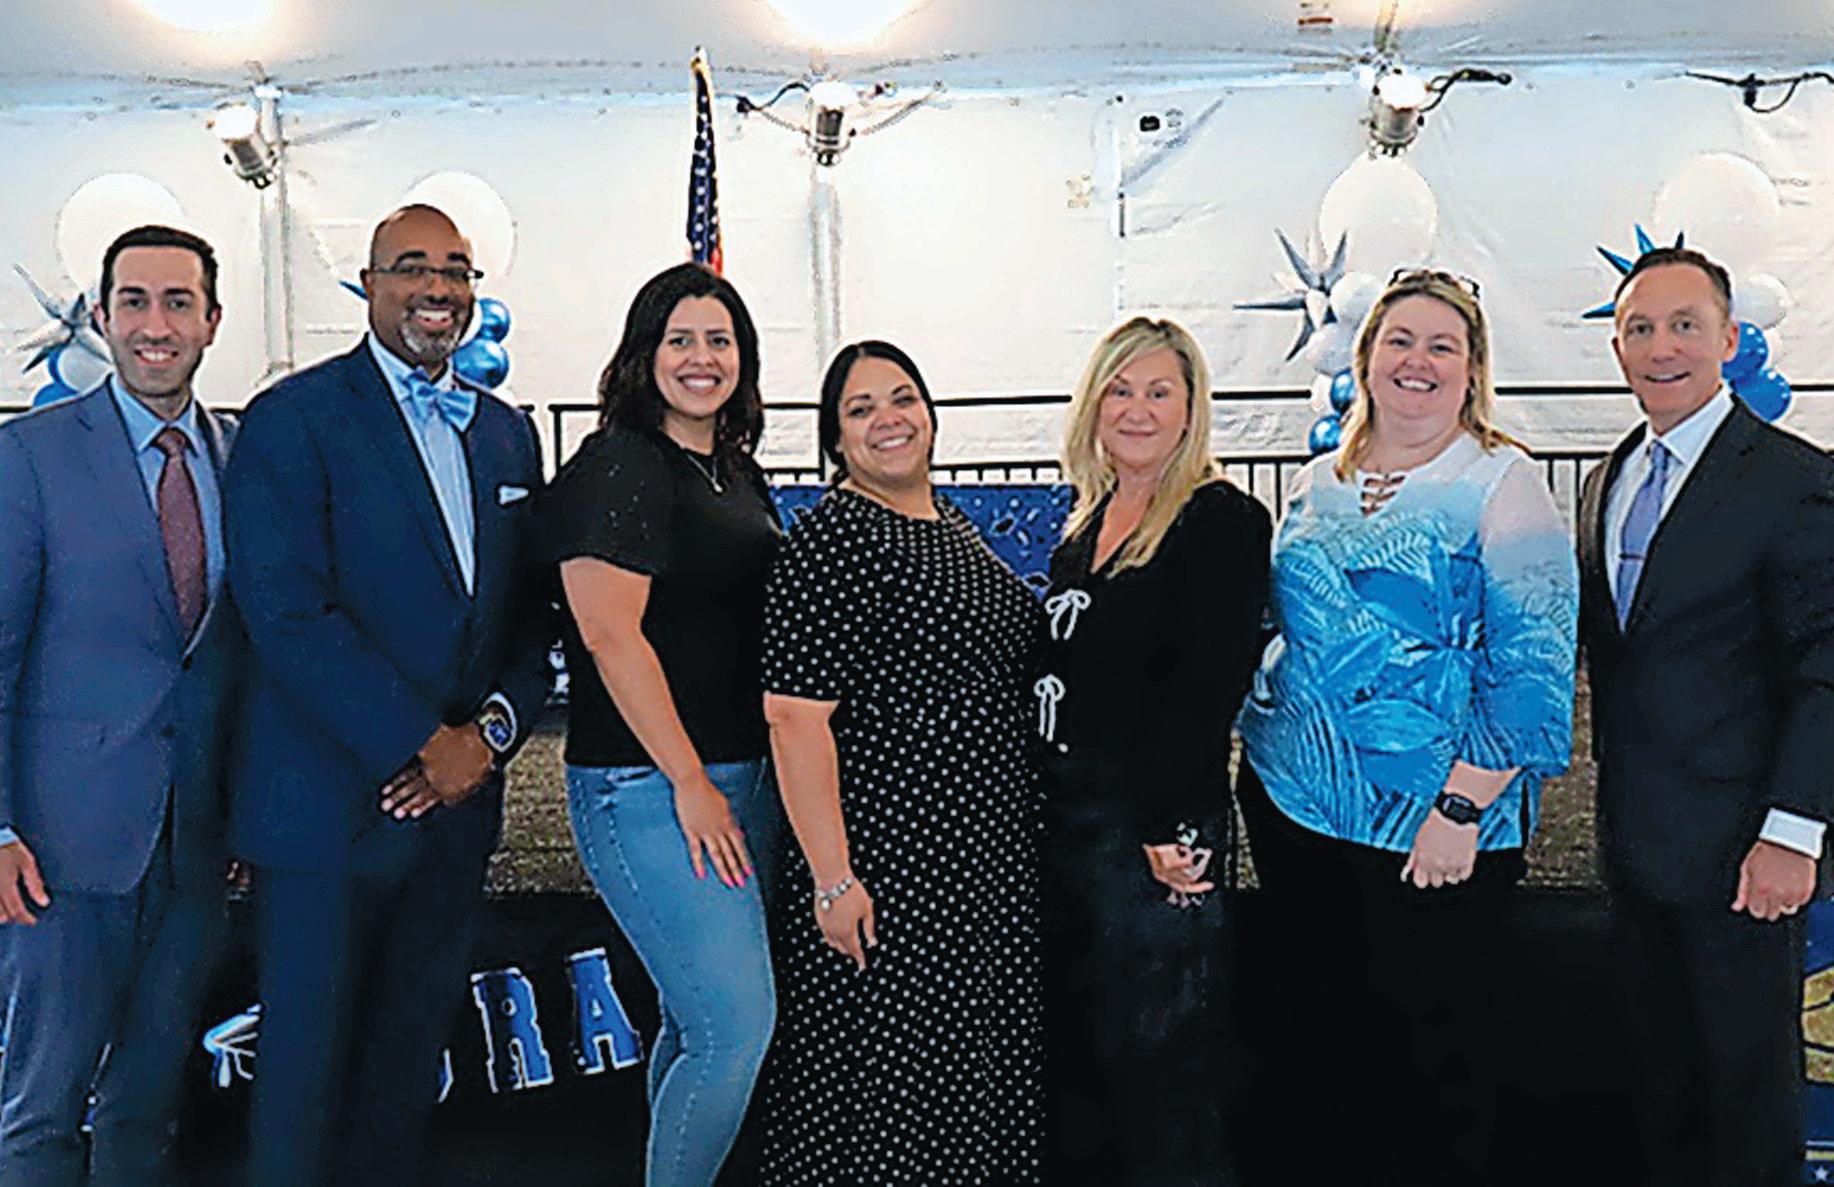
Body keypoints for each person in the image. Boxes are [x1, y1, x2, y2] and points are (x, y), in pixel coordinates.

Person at [224, 204, 552, 1187]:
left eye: (455, 270)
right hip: (324, 818)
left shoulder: (507, 434)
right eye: (411, 267)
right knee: (300, 1083)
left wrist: (485, 739)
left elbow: (529, 620)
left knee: (403, 1081)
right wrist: (420, 741)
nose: (436, 288)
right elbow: (284, 610)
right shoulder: (291, 418)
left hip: (454, 821)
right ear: (368, 286)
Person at [1235, 270, 1577, 1187]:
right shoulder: (1317, 482)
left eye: (1441, 345)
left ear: (1472, 369)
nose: (1417, 360)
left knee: (1432, 1064)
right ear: (1366, 357)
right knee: (1324, 1051)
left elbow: (1535, 666)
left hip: (1434, 826)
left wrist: (1461, 808)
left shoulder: (1503, 482)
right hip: (1297, 811)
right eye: (1399, 340)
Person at [758, 341, 1045, 1185]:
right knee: (890, 1091)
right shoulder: (833, 539)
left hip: (976, 864)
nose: (888, 419)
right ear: (834, 438)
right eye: (861, 409)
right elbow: (794, 719)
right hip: (892, 866)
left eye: (902, 398)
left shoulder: (947, 520)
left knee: (962, 1082)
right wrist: (833, 878)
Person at [1579, 246, 1834, 1187]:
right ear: (1617, 347)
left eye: (1685, 325)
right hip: (1635, 847)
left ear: (1729, 339)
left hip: (1745, 852)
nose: (1662, 347)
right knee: (1664, 1090)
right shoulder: (1607, 478)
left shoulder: (1792, 478)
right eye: (1640, 329)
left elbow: (1827, 666)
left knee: (1747, 1100)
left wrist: (1793, 831)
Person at [0, 224, 239, 1186]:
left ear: (212, 320)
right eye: (133, 301)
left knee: (146, 1108)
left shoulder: (241, 455)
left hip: (194, 852)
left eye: (178, 302)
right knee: (39, 1113)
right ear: (101, 317)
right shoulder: (31, 455)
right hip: (56, 853)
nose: (155, 325)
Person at [545, 262, 782, 1187]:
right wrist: (688, 780)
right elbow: (610, 633)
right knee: (735, 1028)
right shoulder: (621, 464)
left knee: (694, 1026)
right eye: (680, 339)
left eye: (719, 339)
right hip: (650, 786)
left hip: (741, 776)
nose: (700, 357)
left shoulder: (733, 471)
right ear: (644, 354)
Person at [1033, 316, 1270, 1187]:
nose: (1136, 409)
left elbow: (1209, 682)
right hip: (1068, 819)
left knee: (1166, 1062)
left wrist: (1170, 825)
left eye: (1159, 391)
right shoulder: (1086, 523)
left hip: (1153, 822)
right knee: (1089, 1052)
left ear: (1190, 407)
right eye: (1120, 389)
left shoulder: (1219, 519)